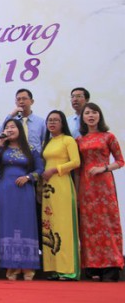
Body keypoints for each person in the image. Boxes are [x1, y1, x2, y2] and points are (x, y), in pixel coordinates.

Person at [0, 119, 44, 280]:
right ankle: (11, 266)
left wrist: (29, 177)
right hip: (6, 191)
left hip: (25, 191)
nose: (10, 129)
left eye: (13, 127)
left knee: (26, 224)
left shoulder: (31, 149)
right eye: (7, 127)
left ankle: (28, 267)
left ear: (20, 129)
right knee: (8, 225)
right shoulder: (2, 148)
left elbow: (40, 169)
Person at [76, 102, 124, 282]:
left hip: (104, 186)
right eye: (87, 113)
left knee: (107, 224)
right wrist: (77, 191)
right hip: (86, 186)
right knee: (88, 226)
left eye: (94, 112)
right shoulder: (79, 140)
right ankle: (92, 267)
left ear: (99, 116)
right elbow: (78, 168)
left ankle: (111, 266)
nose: (91, 116)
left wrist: (103, 168)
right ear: (82, 118)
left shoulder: (108, 136)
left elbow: (120, 161)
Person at [41, 110, 80, 280]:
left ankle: (68, 269)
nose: (52, 123)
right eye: (49, 120)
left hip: (62, 184)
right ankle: (55, 268)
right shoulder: (48, 142)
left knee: (64, 226)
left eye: (56, 120)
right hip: (48, 188)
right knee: (50, 225)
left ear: (63, 123)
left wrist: (55, 170)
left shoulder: (68, 140)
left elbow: (76, 162)